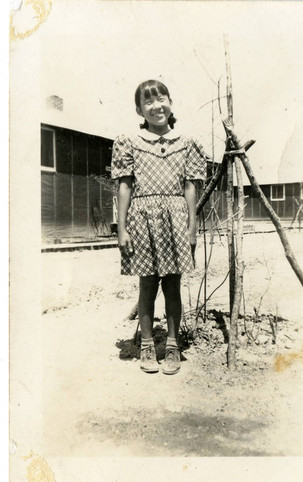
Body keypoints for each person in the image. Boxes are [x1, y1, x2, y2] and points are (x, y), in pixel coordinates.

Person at [111, 79, 206, 375]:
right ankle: (148, 345)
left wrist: (191, 227)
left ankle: (174, 345)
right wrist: (122, 228)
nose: (156, 106)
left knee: (173, 285)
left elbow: (191, 188)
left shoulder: (187, 143)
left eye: (161, 98)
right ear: (139, 110)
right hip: (142, 219)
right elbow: (124, 187)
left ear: (170, 101)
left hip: (176, 218)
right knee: (148, 284)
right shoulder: (129, 142)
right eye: (148, 102)